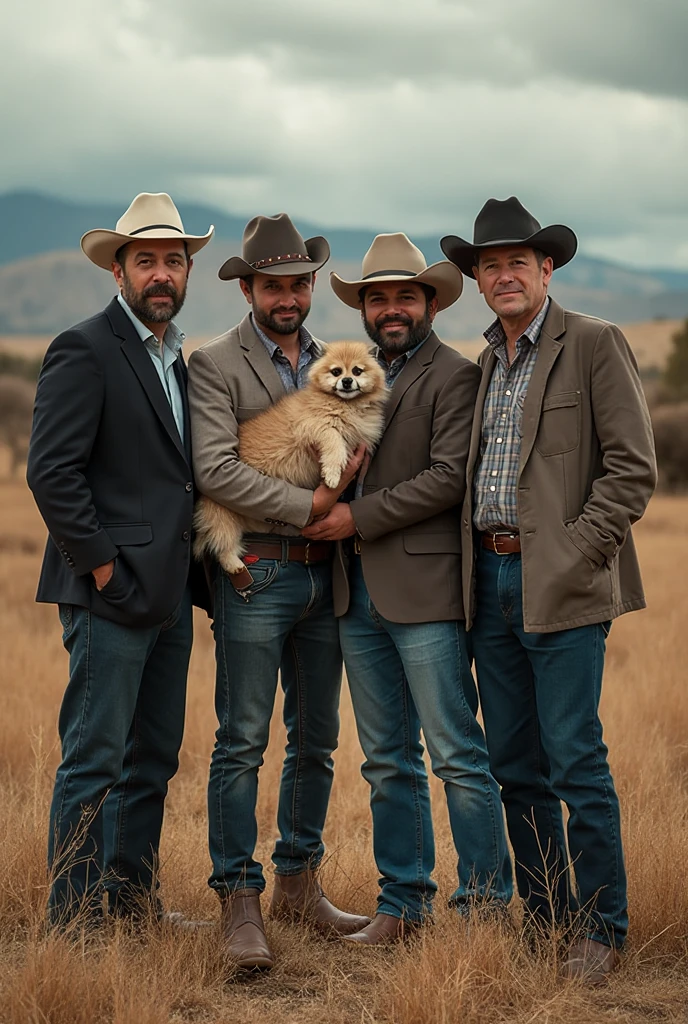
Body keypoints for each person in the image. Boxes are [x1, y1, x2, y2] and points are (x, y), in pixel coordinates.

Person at [440, 197, 657, 983]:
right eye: (489, 266)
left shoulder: (594, 343)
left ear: (546, 268)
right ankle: (545, 918)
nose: (503, 276)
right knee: (514, 763)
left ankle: (602, 927)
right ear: (477, 279)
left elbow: (633, 470)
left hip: (561, 584)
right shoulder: (486, 361)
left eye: (517, 263)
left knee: (573, 758)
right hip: (488, 578)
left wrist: (573, 557)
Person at [303, 233, 513, 944]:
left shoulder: (455, 376)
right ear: (362, 309)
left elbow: (448, 477)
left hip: (423, 591)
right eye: (377, 298)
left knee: (456, 752)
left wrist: (355, 515)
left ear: (429, 303)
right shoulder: (343, 373)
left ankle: (483, 909)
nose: (391, 309)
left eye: (404, 296)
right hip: (351, 595)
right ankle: (403, 906)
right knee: (387, 759)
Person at [187, 214, 369, 972]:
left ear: (313, 285)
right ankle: (238, 901)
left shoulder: (339, 362)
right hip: (256, 569)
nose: (287, 296)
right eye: (272, 285)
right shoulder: (214, 364)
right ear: (249, 288)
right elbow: (215, 471)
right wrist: (315, 508)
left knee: (318, 740)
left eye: (298, 283)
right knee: (241, 740)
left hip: (325, 578)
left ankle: (299, 881)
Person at [27, 192, 214, 927]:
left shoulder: (180, 363)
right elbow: (52, 472)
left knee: (152, 760)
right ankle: (72, 921)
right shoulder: (86, 348)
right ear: (118, 270)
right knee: (94, 759)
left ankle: (132, 904)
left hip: (168, 595)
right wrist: (104, 569)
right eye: (146, 261)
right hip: (109, 593)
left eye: (174, 260)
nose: (161, 274)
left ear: (187, 270)